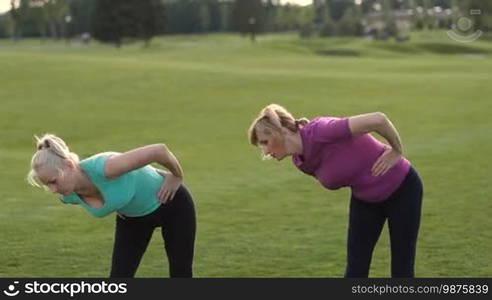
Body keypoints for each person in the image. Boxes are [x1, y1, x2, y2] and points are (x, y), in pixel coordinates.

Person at [248, 104, 423, 278]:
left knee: (402, 269)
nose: (265, 151)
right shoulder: (301, 162)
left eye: (265, 142)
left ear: (281, 131)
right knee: (355, 269)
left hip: (402, 189)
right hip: (366, 199)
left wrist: (396, 150)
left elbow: (378, 119)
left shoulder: (322, 131)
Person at [27, 134, 196, 278]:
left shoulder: (106, 167)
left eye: (54, 182)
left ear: (69, 166)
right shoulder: (69, 195)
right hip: (132, 220)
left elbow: (159, 151)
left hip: (173, 205)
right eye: (47, 185)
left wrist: (176, 175)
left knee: (180, 274)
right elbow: (136, 179)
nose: (53, 190)